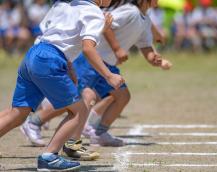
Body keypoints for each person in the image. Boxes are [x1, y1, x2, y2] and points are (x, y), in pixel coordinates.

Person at [20, 0, 171, 156]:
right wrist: (117, 48)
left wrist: (154, 58)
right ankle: (35, 122)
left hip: (108, 64)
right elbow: (106, 24)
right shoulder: (130, 11)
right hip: (92, 60)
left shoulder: (145, 20)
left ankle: (98, 133)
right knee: (77, 100)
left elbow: (145, 46)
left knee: (122, 96)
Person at [0, 0, 124, 171]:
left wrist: (70, 66)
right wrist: (109, 75)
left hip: (33, 55)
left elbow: (59, 37)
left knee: (18, 113)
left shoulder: (65, 4)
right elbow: (88, 48)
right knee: (79, 110)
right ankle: (49, 157)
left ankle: (49, 155)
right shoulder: (94, 12)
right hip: (50, 60)